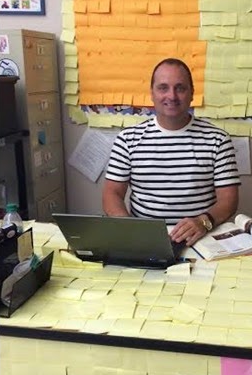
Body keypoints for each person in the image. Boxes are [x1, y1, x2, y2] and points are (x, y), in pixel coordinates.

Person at [103, 58, 241, 246]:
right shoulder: (127, 139)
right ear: (152, 93)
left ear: (192, 94)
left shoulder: (218, 140)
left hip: (200, 240)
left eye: (180, 88)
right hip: (144, 240)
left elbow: (229, 200)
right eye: (163, 88)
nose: (172, 96)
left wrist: (203, 222)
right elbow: (112, 194)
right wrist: (129, 228)